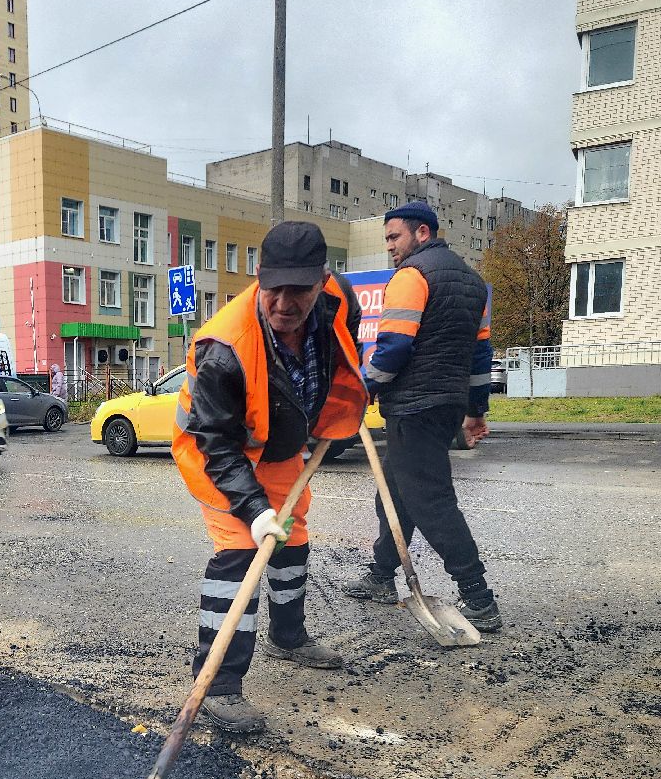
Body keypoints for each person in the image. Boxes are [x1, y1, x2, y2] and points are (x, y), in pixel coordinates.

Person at [173, 221, 368, 734]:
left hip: (278, 448)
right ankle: (217, 684)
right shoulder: (224, 348)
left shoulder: (335, 301)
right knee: (242, 557)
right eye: (273, 287)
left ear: (322, 281)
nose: (284, 301)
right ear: (259, 277)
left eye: (298, 289)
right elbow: (215, 443)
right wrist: (255, 511)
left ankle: (289, 636)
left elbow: (347, 335)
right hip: (217, 453)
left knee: (292, 541)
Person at [344, 201, 500, 631]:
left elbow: (393, 348)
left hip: (414, 405)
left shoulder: (411, 277)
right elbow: (480, 356)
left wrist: (361, 387)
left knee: (431, 502)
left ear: (422, 233)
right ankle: (381, 575)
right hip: (444, 404)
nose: (390, 247)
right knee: (394, 493)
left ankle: (479, 598)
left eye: (395, 237)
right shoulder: (473, 283)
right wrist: (474, 411)